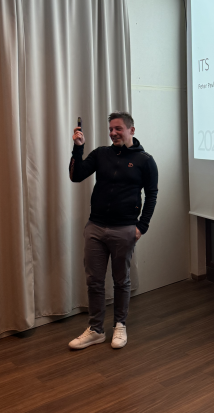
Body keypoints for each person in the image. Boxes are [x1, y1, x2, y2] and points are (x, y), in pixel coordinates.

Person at [67, 111, 158, 350]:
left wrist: (142, 226)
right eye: (110, 129)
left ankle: (120, 325)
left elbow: (152, 195)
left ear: (131, 130)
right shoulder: (101, 154)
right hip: (95, 227)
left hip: (125, 228)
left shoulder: (145, 160)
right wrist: (78, 148)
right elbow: (76, 176)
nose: (113, 133)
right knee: (94, 281)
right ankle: (96, 330)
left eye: (118, 128)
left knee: (121, 281)